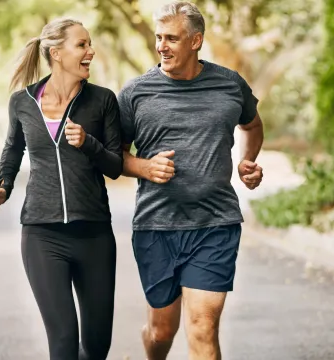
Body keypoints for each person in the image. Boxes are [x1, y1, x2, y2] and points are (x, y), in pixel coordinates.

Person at [117, 2, 264, 359]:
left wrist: (248, 159)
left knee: (201, 326)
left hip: (215, 224)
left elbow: (253, 125)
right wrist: (144, 167)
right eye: (158, 38)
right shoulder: (136, 93)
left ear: (196, 41)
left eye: (171, 38)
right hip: (157, 226)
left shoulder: (229, 85)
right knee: (161, 330)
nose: (161, 46)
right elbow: (115, 155)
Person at [0, 18, 123, 360]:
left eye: (89, 44)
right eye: (82, 45)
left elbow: (116, 166)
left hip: (94, 234)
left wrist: (89, 144)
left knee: (96, 345)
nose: (90, 51)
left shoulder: (102, 100)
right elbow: (12, 150)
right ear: (57, 53)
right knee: (62, 343)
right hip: (43, 235)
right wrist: (4, 187)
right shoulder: (22, 102)